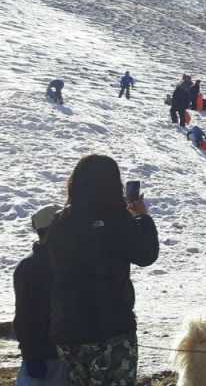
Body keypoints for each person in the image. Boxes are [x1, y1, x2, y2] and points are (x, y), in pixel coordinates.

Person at [46, 155, 159, 385]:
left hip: (70, 329)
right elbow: (146, 255)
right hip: (112, 328)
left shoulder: (60, 222)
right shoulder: (118, 219)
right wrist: (142, 217)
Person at [14, 205, 70, 386]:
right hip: (51, 355)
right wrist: (31, 354)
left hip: (48, 354)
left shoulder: (27, 265)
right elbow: (25, 316)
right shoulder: (33, 267)